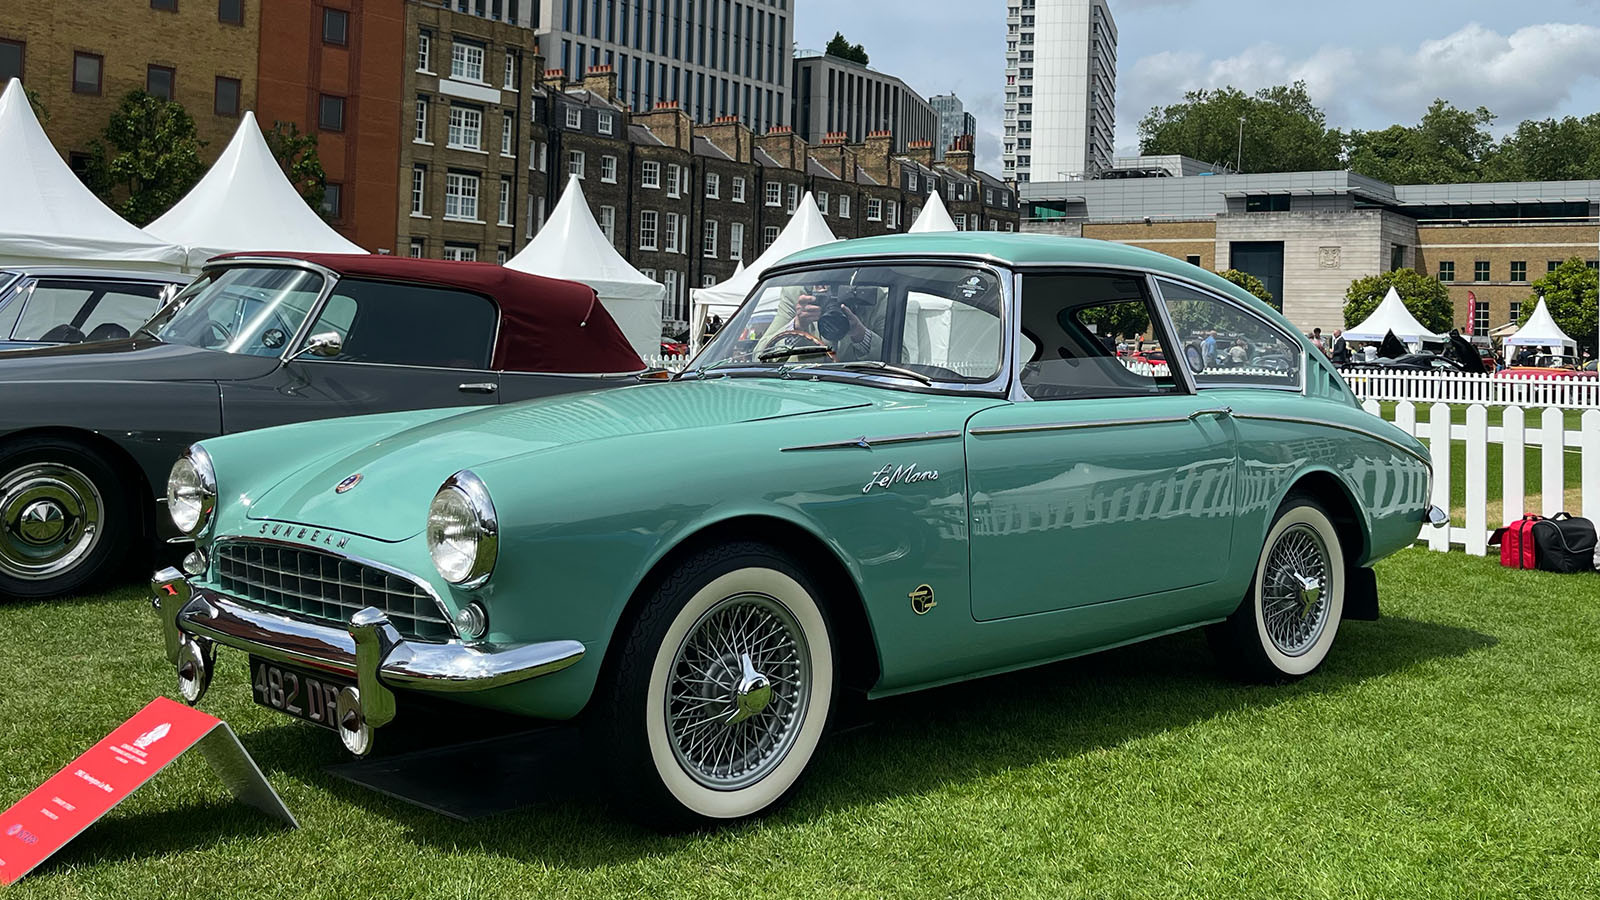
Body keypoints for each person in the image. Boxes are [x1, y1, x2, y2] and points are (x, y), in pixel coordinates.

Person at [755, 282, 882, 362]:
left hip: (859, 388)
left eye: (841, 290)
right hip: (802, 386)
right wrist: (798, 325)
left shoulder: (875, 297)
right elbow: (758, 356)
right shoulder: (796, 295)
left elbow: (900, 360)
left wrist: (860, 334)